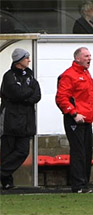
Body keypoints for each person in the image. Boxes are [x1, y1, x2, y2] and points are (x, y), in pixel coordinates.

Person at [56, 47, 93, 193]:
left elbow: (87, 98)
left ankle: (84, 183)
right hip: (75, 120)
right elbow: (61, 98)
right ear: (78, 58)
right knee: (78, 151)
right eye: (86, 56)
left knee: (87, 152)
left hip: (86, 119)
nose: (89, 58)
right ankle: (78, 185)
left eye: (90, 56)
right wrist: (74, 114)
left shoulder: (86, 74)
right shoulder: (69, 75)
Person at [0, 48, 41, 190]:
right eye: (26, 58)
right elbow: (16, 93)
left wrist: (26, 93)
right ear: (19, 60)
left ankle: (2, 172)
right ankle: (7, 182)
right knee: (8, 151)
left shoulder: (30, 76)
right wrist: (27, 91)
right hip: (10, 120)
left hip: (26, 120)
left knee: (23, 151)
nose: (29, 60)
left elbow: (37, 95)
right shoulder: (9, 76)